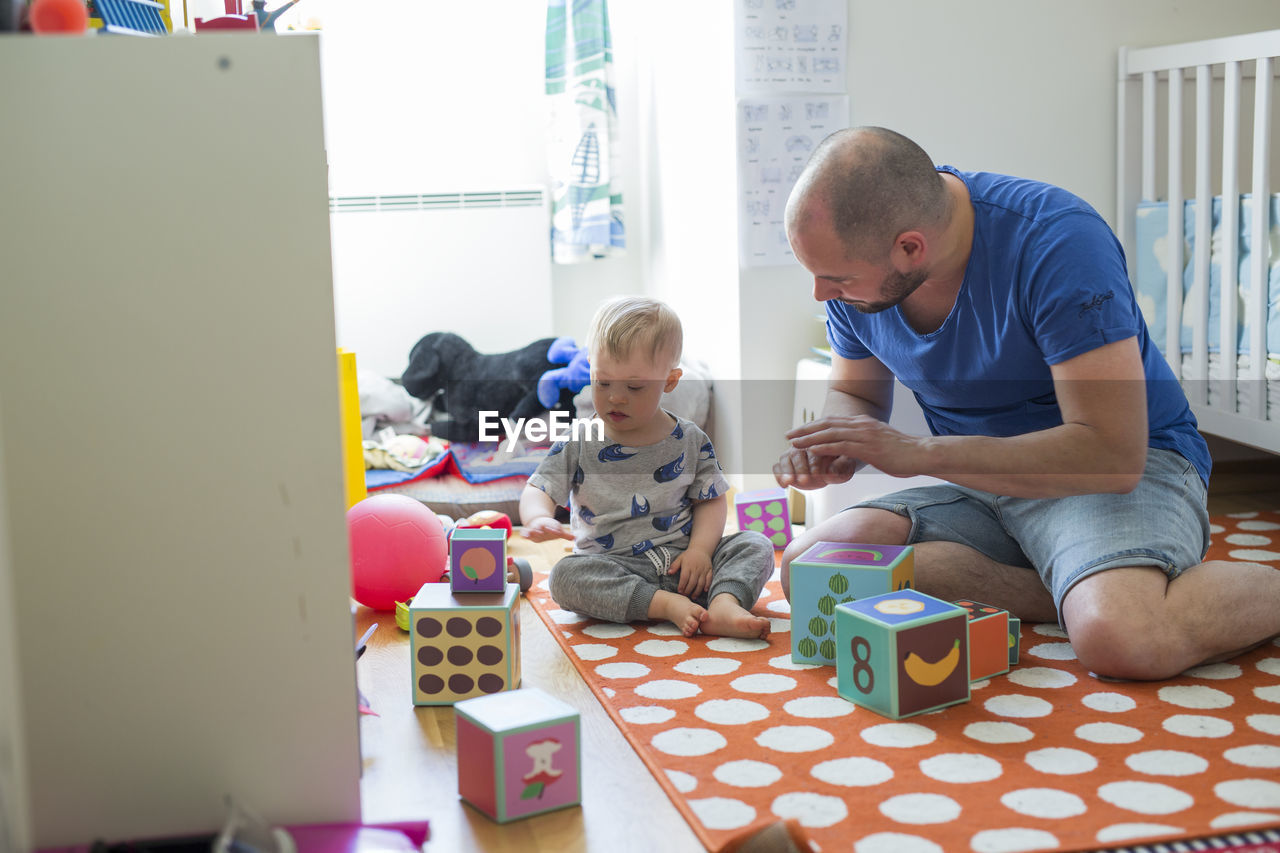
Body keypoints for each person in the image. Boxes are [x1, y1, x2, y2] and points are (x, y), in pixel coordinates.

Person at [774, 125, 1280, 681]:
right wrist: (838, 441)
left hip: (1113, 473)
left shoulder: (1058, 241)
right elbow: (855, 393)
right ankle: (1072, 583)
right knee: (813, 568)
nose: (823, 295)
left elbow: (1111, 454)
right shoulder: (861, 278)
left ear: (910, 247)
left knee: (1122, 638)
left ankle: (1104, 592)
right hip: (983, 484)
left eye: (836, 279)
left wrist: (918, 453)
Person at [521, 296, 775, 639]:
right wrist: (538, 516)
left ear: (669, 381)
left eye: (634, 386)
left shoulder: (689, 438)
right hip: (614, 567)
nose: (616, 397)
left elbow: (711, 500)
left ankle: (723, 604)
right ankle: (663, 605)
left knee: (755, 545)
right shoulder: (579, 439)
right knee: (564, 578)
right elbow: (540, 487)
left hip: (686, 564)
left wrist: (700, 551)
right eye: (602, 382)